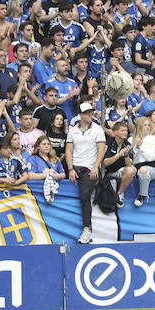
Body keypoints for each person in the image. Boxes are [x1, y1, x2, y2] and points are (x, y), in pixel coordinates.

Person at [65, 102, 107, 244]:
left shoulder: (97, 129)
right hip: (75, 166)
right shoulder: (72, 130)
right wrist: (70, 169)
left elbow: (101, 149)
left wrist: (96, 166)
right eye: (87, 113)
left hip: (89, 167)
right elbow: (69, 150)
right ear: (81, 115)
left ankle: (87, 229)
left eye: (91, 112)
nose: (90, 115)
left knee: (84, 196)